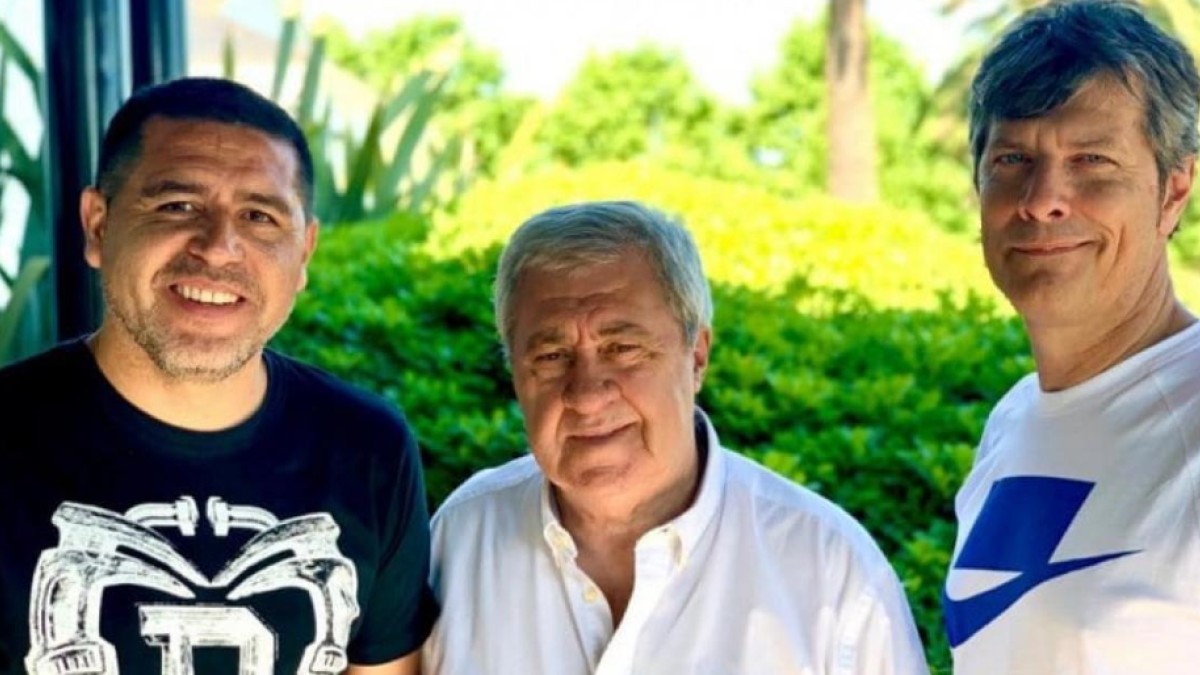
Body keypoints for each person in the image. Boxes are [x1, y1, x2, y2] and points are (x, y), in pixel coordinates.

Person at [0, 77, 437, 674]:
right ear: (98, 225)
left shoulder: (368, 448)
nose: (218, 248)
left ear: (304, 253)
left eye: (259, 216)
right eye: (177, 206)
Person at [421, 200, 928, 674]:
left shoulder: (830, 571)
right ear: (515, 373)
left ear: (697, 356)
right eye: (552, 357)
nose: (588, 394)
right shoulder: (462, 539)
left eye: (623, 348)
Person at [942, 1, 1200, 672]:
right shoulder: (1012, 422)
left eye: (1092, 159)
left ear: (1174, 191)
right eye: (1013, 158)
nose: (1041, 198)